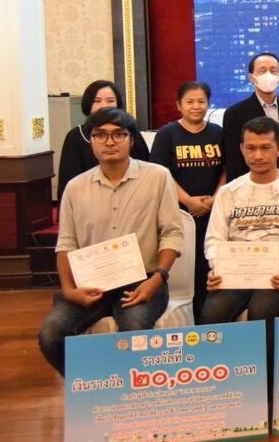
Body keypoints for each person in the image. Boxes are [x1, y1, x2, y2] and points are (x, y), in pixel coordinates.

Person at [38, 107, 183, 375]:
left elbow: (172, 233)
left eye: (118, 134)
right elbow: (66, 243)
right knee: (51, 335)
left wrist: (157, 279)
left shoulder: (157, 177)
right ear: (91, 141)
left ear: (131, 139)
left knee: (134, 332)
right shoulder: (75, 188)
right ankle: (91, 385)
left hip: (143, 282)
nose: (109, 141)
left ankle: (129, 391)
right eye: (100, 135)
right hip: (90, 283)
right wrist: (68, 290)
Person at [201, 116, 279, 399]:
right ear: (241, 150)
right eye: (251, 148)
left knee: (261, 309)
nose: (258, 155)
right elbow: (214, 240)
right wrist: (217, 267)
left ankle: (263, 391)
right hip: (236, 275)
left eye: (265, 148)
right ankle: (219, 389)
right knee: (212, 312)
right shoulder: (229, 192)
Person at [149, 80, 225, 322]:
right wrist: (188, 201)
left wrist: (215, 199)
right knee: (184, 271)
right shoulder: (167, 134)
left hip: (213, 214)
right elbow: (162, 173)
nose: (196, 106)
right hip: (179, 215)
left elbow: (226, 169)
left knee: (208, 271)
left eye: (201, 101)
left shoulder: (218, 133)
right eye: (190, 102)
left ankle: (206, 321)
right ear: (178, 105)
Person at [56, 80, 150, 202]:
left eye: (110, 101)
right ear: (88, 105)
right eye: (97, 101)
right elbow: (67, 183)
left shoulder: (130, 132)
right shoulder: (76, 136)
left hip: (131, 199)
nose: (104, 105)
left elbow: (145, 170)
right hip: (89, 202)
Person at [221, 52, 279, 182]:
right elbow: (233, 161)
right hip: (251, 185)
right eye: (262, 71)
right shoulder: (234, 114)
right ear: (251, 77)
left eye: (273, 71)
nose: (268, 75)